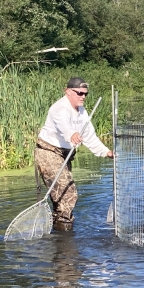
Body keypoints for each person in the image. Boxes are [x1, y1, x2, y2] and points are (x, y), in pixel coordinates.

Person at [34, 77, 113, 231]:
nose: (83, 96)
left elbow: (90, 136)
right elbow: (63, 126)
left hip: (65, 153)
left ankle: (60, 233)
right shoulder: (59, 108)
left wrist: (107, 152)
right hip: (48, 151)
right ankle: (66, 237)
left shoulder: (82, 111)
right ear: (68, 91)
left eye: (85, 94)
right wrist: (72, 134)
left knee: (62, 197)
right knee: (69, 193)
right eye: (79, 93)